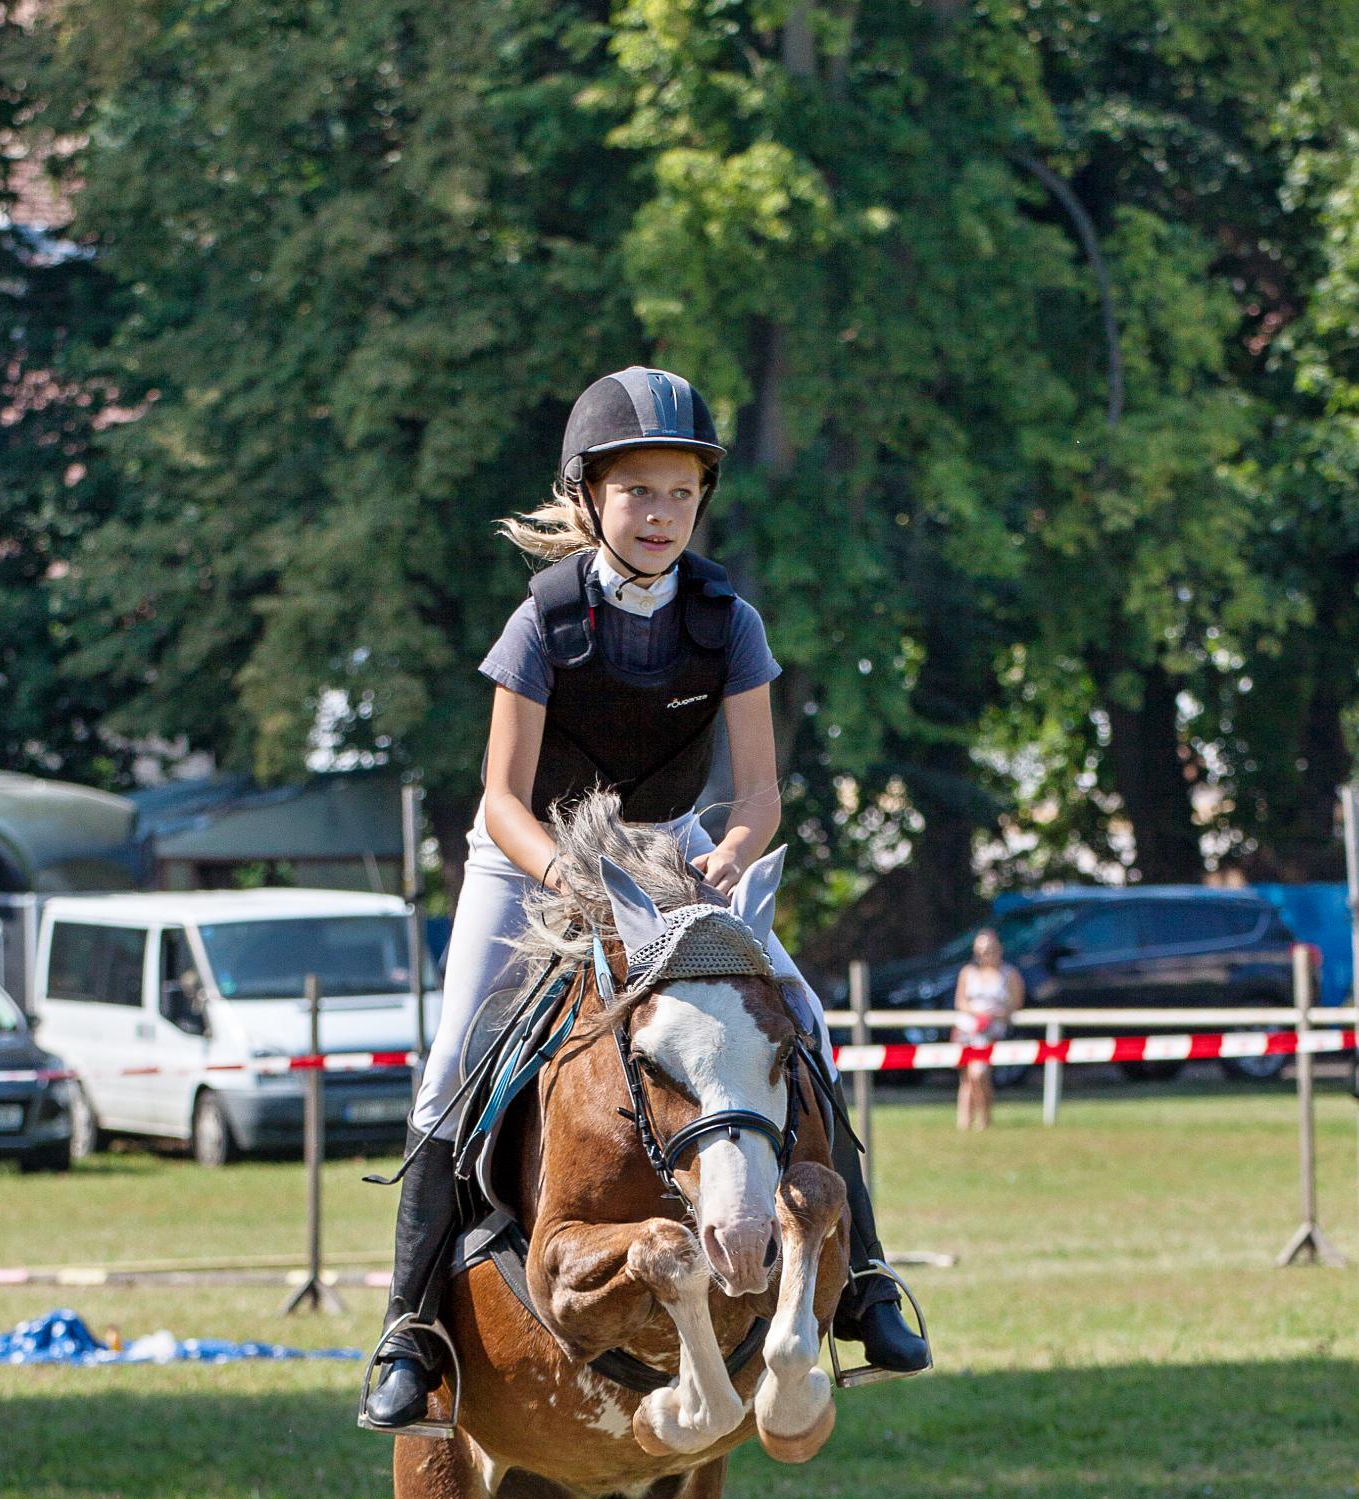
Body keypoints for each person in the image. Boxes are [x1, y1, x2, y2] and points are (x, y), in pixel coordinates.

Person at [361, 365, 931, 1432]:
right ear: (589, 498)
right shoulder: (541, 621)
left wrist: (730, 857)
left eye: (680, 492)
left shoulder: (729, 622)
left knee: (806, 1024)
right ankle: (410, 1331)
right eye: (637, 492)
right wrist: (566, 877)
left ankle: (864, 1281)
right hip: (534, 858)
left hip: (674, 848)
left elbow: (757, 795)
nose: (661, 513)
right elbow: (500, 798)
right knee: (451, 1065)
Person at [953, 927, 1023, 1130]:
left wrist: (994, 1015)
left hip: (991, 1029)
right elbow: (960, 1001)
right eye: (982, 952)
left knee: (978, 1073)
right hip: (968, 1028)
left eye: (991, 950)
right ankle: (964, 1122)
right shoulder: (968, 972)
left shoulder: (1009, 973)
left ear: (999, 949)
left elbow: (1016, 1003)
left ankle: (984, 1117)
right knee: (966, 1077)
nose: (987, 955)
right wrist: (977, 1014)